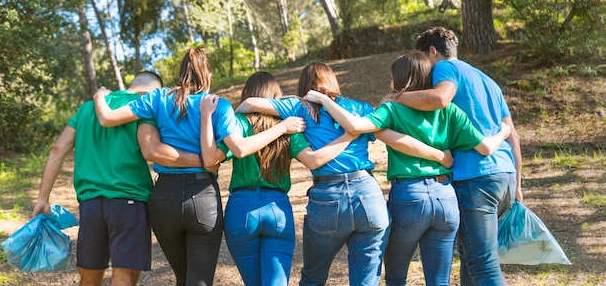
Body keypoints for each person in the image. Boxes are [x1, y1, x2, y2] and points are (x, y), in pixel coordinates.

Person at [92, 45, 305, 286]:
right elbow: (227, 151)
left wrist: (100, 95)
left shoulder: (157, 98)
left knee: (183, 277)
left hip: (164, 198)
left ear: (181, 73)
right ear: (209, 76)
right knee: (200, 280)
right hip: (203, 197)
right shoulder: (219, 105)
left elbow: (107, 118)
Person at [303, 51, 511, 286]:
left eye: (392, 77)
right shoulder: (450, 111)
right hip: (446, 198)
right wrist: (504, 132)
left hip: (409, 197)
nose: (389, 82)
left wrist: (324, 100)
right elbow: (485, 147)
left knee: (395, 277)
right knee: (440, 281)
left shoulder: (392, 108)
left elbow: (354, 125)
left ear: (401, 79)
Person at [235, 62, 453, 286]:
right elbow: (393, 138)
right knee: (366, 281)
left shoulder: (298, 105)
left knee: (313, 277)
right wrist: (439, 156)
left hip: (328, 195)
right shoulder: (361, 108)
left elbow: (249, 103)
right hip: (369, 195)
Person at [33, 71, 200, 286]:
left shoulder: (87, 108)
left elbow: (57, 150)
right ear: (156, 90)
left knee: (89, 275)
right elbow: (156, 149)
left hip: (90, 205)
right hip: (130, 201)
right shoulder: (146, 107)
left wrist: (43, 198)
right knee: (125, 276)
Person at [387, 26, 523, 285]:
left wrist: (396, 98)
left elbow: (440, 99)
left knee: (483, 264)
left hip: (475, 177)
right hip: (504, 174)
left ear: (432, 51)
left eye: (424, 60)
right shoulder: (487, 80)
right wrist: (518, 185)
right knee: (473, 258)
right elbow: (512, 135)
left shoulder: (444, 68)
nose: (424, 69)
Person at [199, 71, 357, 286]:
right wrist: (348, 136)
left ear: (246, 93)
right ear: (276, 97)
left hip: (241, 209)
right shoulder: (290, 128)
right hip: (277, 209)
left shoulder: (238, 124)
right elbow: (312, 160)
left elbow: (211, 160)